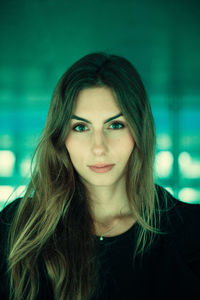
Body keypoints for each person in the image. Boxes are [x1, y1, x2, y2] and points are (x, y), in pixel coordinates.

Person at [0, 52, 200, 300]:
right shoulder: (17, 229)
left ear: (139, 131)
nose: (99, 147)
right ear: (61, 137)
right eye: (80, 127)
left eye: (115, 125)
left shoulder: (191, 231)